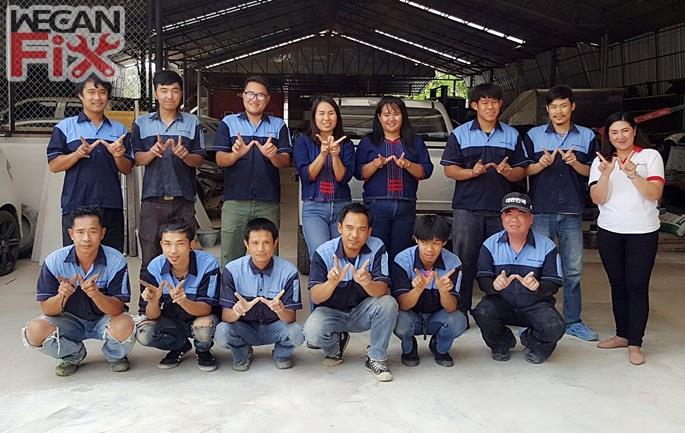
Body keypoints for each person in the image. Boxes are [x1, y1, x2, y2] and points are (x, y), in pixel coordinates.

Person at [441, 83, 529, 320]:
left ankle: (500, 312)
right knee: (464, 261)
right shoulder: (460, 134)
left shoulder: (511, 135)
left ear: (501, 105)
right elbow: (450, 169)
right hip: (467, 209)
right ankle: (460, 311)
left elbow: (521, 171)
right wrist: (472, 172)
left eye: (494, 102)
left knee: (501, 262)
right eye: (484, 102)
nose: (490, 107)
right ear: (474, 105)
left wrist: (509, 172)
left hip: (501, 210)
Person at [523, 85, 598, 341]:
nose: (558, 111)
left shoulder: (587, 136)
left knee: (573, 270)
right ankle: (535, 318)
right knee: (537, 267)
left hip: (572, 211)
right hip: (541, 210)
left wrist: (576, 164)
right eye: (554, 107)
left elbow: (595, 172)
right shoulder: (533, 135)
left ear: (572, 107)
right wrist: (540, 164)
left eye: (563, 106)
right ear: (547, 109)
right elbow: (522, 171)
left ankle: (572, 321)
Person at [21, 207, 135, 376]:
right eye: (80, 232)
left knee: (126, 324)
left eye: (93, 231)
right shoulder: (54, 261)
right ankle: (73, 355)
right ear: (71, 234)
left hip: (103, 319)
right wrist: (62, 295)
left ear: (102, 233)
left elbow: (118, 308)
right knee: (34, 331)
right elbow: (47, 310)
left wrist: (96, 294)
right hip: (69, 321)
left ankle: (115, 356)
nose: (86, 238)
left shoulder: (116, 260)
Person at [589, 112, 664, 365]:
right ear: (607, 136)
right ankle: (622, 335)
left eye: (624, 130)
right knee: (617, 284)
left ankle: (635, 343)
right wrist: (607, 174)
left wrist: (633, 174)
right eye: (614, 132)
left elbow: (654, 193)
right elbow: (597, 198)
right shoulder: (601, 161)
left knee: (637, 286)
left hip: (642, 232)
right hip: (610, 231)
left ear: (633, 131)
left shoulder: (649, 157)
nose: (620, 136)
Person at [132, 70, 206, 314]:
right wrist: (152, 152)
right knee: (150, 257)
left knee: (185, 254)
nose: (169, 96)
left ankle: (184, 306)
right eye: (163, 90)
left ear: (181, 93)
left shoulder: (192, 122)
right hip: (152, 200)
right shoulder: (142, 123)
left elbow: (200, 158)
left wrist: (186, 156)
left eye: (174, 90)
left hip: (183, 199)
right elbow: (136, 159)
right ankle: (146, 309)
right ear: (156, 93)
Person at [303, 203, 398, 382]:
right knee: (311, 331)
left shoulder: (377, 247)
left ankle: (376, 357)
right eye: (349, 228)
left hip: (362, 311)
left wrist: (367, 283)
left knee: (388, 303)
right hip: (332, 313)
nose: (354, 235)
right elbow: (315, 296)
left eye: (361, 229)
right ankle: (335, 348)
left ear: (369, 231)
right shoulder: (323, 252)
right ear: (339, 228)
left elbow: (383, 289)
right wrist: (331, 283)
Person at [472, 193, 565, 364]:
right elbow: (483, 279)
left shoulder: (547, 246)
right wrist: (494, 286)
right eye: (508, 214)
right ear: (502, 218)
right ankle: (502, 343)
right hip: (502, 304)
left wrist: (538, 287)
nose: (514, 220)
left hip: (535, 305)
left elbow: (553, 283)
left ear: (531, 218)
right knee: (482, 312)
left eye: (521, 214)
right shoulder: (489, 245)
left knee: (555, 326)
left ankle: (533, 341)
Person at [47, 74, 133, 252]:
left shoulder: (120, 130)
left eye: (102, 92)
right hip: (76, 204)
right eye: (91, 92)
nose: (97, 97)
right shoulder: (65, 127)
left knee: (112, 257)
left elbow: (127, 169)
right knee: (76, 258)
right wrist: (77, 154)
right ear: (81, 95)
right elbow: (54, 165)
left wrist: (118, 155)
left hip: (110, 205)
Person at [213, 76, 292, 265]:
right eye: (250, 94)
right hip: (235, 200)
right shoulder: (228, 123)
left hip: (268, 201)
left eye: (260, 95)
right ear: (243, 96)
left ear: (267, 99)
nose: (254, 99)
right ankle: (230, 286)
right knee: (230, 256)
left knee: (268, 256)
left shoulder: (279, 125)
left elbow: (285, 161)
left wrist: (272, 156)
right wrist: (235, 155)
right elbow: (220, 159)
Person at [215, 218, 304, 371]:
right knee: (222, 331)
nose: (261, 249)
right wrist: (238, 311)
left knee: (297, 332)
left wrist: (280, 309)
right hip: (245, 328)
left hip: (275, 327)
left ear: (275, 243)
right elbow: (226, 317)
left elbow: (290, 318)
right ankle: (243, 353)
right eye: (255, 243)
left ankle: (281, 354)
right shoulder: (232, 270)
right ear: (246, 244)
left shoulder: (288, 272)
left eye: (266, 242)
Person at [355, 96, 433, 260]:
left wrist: (407, 165)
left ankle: (398, 278)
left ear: (403, 116)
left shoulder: (415, 141)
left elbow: (426, 171)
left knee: (401, 254)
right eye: (386, 115)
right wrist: (375, 164)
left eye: (396, 114)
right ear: (379, 117)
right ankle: (380, 277)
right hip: (377, 205)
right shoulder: (368, 141)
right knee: (377, 252)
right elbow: (358, 173)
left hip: (406, 206)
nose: (391, 119)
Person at [136, 219, 220, 372]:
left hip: (201, 317)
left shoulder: (208, 264)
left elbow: (206, 309)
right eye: (167, 244)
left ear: (191, 244)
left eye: (180, 244)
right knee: (144, 334)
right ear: (161, 244)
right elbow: (152, 316)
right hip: (172, 320)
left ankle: (203, 350)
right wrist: (153, 301)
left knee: (204, 328)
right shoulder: (155, 266)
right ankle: (179, 346)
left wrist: (183, 301)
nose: (173, 251)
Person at [391, 214, 467, 367]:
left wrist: (443, 291)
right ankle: (409, 348)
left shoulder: (453, 263)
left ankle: (440, 348)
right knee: (396, 318)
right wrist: (418, 289)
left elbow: (451, 307)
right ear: (416, 239)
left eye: (436, 243)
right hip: (411, 316)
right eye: (424, 242)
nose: (430, 249)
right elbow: (403, 305)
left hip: (437, 316)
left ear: (444, 242)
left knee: (459, 320)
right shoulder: (402, 260)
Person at [294, 95, 355, 270]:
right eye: (321, 113)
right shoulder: (303, 142)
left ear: (337, 116)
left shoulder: (346, 144)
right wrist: (322, 154)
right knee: (320, 258)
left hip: (341, 207)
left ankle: (341, 288)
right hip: (314, 207)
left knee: (342, 258)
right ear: (314, 117)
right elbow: (307, 176)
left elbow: (343, 177)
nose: (326, 118)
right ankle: (321, 289)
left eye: (331, 113)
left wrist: (335, 155)